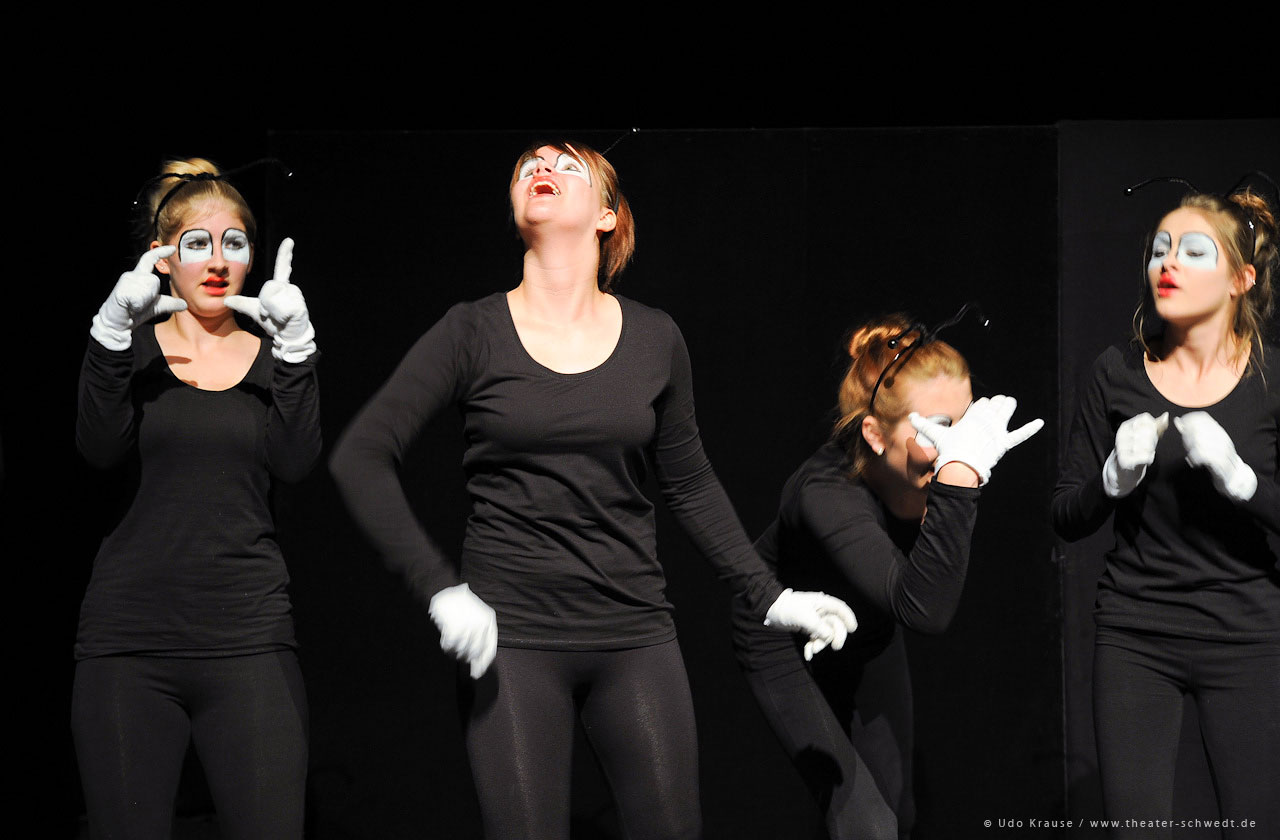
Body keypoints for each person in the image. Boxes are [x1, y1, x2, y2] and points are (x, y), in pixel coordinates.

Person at [328, 139, 856, 840]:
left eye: (567, 164)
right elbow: (361, 454)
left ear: (607, 215)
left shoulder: (655, 338)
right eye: (528, 165)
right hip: (512, 641)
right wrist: (439, 589)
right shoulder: (472, 331)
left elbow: (690, 482)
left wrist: (773, 597)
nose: (542, 168)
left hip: (633, 634)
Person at [73, 158, 320, 839]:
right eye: (198, 244)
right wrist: (109, 336)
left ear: (251, 257)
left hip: (249, 639)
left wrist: (297, 351)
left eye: (233, 243)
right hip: (128, 646)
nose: (216, 261)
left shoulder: (272, 358)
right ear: (162, 256)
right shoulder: (131, 352)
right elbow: (98, 448)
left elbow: (297, 462)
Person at [732, 312, 1043, 840]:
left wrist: (956, 475)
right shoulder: (826, 493)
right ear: (875, 435)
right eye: (936, 429)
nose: (958, 445)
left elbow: (922, 598)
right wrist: (959, 482)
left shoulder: (938, 465)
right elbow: (925, 609)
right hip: (784, 637)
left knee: (901, 812)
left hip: (870, 628)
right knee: (867, 825)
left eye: (965, 423)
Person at [1053, 183, 1279, 838]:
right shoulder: (1116, 371)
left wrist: (1242, 481)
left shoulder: (1272, 382)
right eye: (1159, 249)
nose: (1167, 263)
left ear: (1240, 279)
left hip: (1249, 636)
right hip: (1137, 634)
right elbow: (1065, 514)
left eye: (1193, 251)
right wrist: (1111, 480)